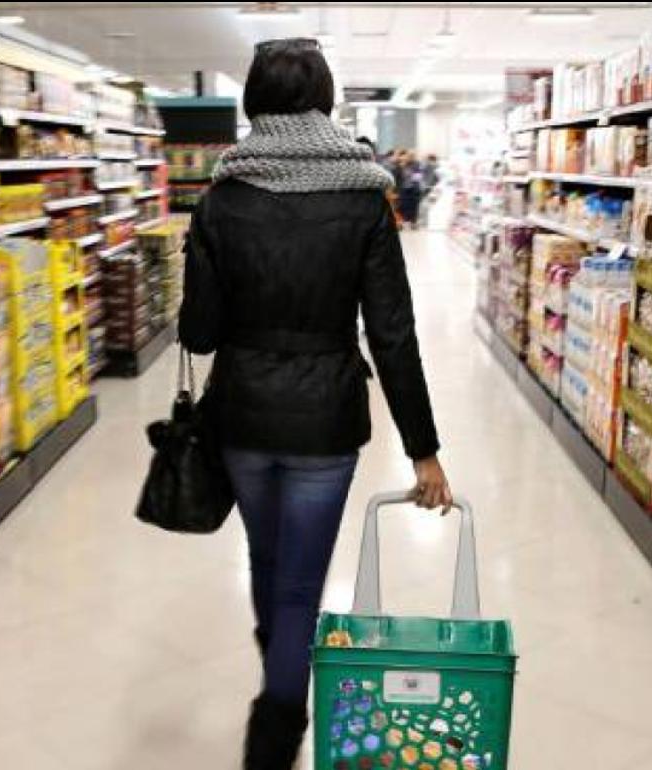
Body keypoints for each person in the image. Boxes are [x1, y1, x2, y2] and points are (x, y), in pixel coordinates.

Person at [178, 37, 451, 770]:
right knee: (300, 581)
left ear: (253, 102)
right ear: (325, 100)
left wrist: (202, 262)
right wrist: (424, 450)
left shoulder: (220, 197)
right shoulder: (365, 197)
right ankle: (274, 729)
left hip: (241, 411)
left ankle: (279, 679)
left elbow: (199, 334)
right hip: (326, 419)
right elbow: (392, 334)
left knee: (268, 564)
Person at [397, 151, 424, 229]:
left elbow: (418, 177)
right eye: (409, 156)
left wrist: (412, 176)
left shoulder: (417, 165)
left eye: (412, 156)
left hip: (414, 189)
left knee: (414, 206)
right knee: (404, 206)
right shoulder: (402, 165)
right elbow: (400, 177)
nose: (410, 157)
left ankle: (413, 223)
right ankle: (404, 222)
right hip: (404, 189)